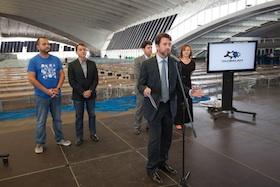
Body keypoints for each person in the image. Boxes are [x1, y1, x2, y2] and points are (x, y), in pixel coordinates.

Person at [138, 33, 203, 184]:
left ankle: (162, 162)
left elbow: (180, 85)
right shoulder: (147, 65)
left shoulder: (175, 63)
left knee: (167, 138)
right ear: (157, 46)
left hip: (169, 106)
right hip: (155, 107)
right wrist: (145, 89)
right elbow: (140, 84)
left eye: (169, 44)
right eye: (165, 44)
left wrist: (190, 92)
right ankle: (152, 168)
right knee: (155, 140)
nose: (168, 47)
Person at [27, 37, 71, 154]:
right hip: (42, 96)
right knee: (41, 121)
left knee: (57, 119)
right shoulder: (34, 61)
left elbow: (61, 75)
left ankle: (60, 139)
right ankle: (40, 143)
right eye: (44, 44)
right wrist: (46, 91)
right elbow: (31, 78)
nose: (47, 45)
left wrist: (57, 88)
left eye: (48, 44)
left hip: (56, 95)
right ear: (38, 47)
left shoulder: (56, 59)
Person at [68, 43, 99, 146]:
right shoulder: (72, 65)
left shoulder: (92, 64)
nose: (83, 51)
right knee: (79, 117)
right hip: (78, 96)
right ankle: (79, 137)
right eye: (80, 50)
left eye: (84, 50)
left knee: (92, 115)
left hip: (91, 95)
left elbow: (95, 79)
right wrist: (82, 92)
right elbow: (72, 81)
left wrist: (90, 90)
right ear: (76, 52)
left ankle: (93, 133)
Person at [133, 40, 153, 135]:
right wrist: (143, 88)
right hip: (141, 88)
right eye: (148, 48)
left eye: (151, 47)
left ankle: (149, 125)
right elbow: (138, 76)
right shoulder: (138, 60)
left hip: (151, 89)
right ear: (143, 49)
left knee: (151, 108)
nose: (150, 49)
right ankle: (137, 126)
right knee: (140, 108)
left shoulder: (154, 60)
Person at [175, 44, 196, 130]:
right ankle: (178, 122)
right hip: (179, 83)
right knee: (179, 102)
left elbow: (190, 73)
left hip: (188, 83)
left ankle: (187, 119)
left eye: (188, 50)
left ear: (190, 51)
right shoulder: (178, 62)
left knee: (188, 101)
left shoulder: (192, 62)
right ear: (182, 52)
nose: (186, 52)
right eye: (184, 50)